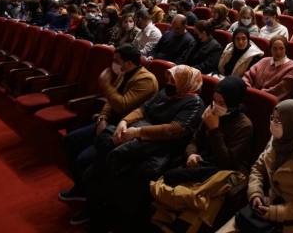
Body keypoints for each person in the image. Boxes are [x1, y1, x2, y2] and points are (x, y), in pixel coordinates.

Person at [85, 65, 205, 231]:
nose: (169, 83)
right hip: (138, 135)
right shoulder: (166, 92)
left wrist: (137, 132)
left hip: (161, 146)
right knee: (104, 146)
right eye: (169, 79)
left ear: (185, 83)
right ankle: (100, 215)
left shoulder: (194, 103)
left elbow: (174, 129)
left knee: (123, 175)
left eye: (174, 81)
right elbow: (143, 109)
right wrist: (124, 122)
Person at [59, 45, 158, 224]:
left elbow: (122, 105)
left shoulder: (146, 80)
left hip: (125, 129)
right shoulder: (123, 74)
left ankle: (92, 206)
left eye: (116, 61)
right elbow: (110, 103)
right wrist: (102, 118)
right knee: (70, 140)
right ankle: (81, 188)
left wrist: (106, 85)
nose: (113, 64)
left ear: (128, 64)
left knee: (84, 159)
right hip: (108, 123)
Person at [218, 100, 293, 233]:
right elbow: (258, 169)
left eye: (279, 120)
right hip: (264, 207)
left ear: (292, 124)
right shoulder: (276, 139)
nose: (273, 123)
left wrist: (275, 213)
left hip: (291, 219)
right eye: (273, 118)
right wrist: (255, 194)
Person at [182, 76, 253, 175]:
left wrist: (214, 129)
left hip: (227, 173)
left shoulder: (244, 126)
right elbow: (194, 141)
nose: (216, 106)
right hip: (204, 163)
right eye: (214, 101)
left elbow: (226, 162)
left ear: (233, 102)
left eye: (221, 103)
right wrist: (191, 154)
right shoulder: (211, 113)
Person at [243, 35, 293, 99]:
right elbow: (247, 76)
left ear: (285, 49)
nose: (278, 52)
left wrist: (256, 93)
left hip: (273, 102)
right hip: (252, 96)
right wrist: (248, 88)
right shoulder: (264, 60)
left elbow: (279, 91)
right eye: (275, 48)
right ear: (270, 49)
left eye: (281, 48)